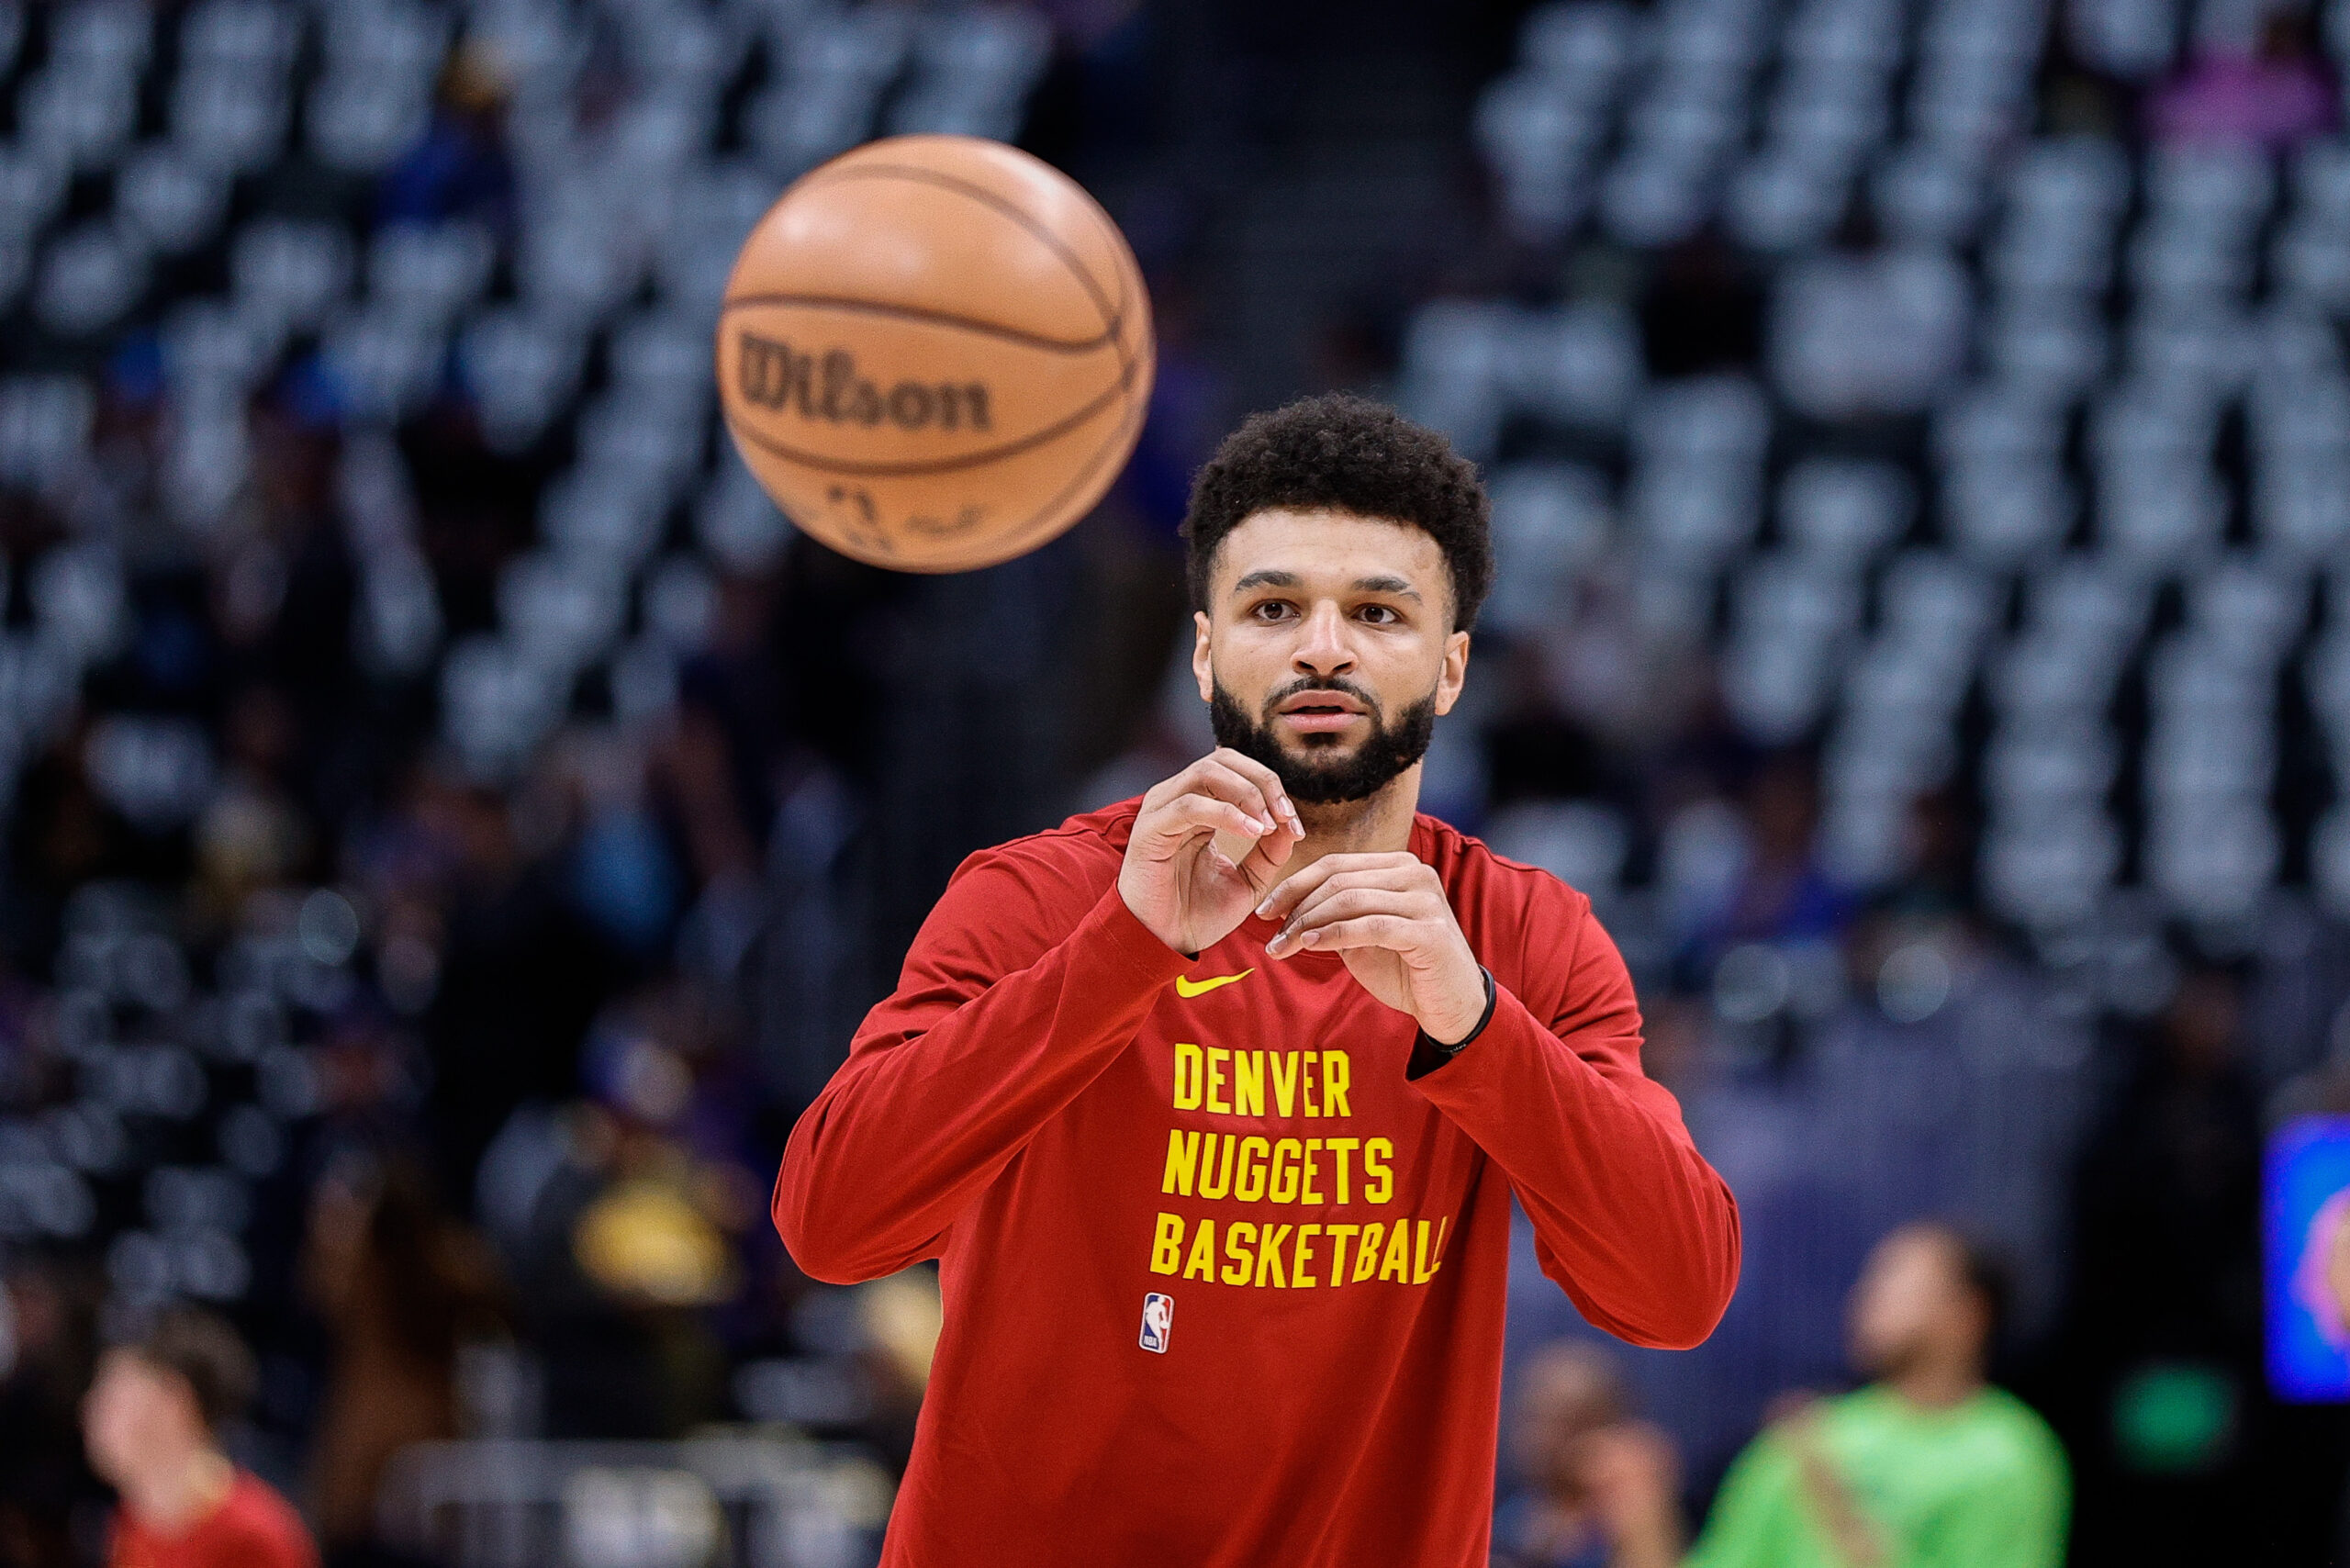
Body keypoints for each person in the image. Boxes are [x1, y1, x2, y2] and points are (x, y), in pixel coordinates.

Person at [774, 393, 1741, 1564]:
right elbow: (831, 1223)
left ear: (1449, 669)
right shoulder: (1037, 899)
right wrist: (1120, 951)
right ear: (1203, 649)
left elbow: (1677, 1291)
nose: (1321, 646)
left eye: (1376, 612)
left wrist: (1475, 1024)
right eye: (1273, 605)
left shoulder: (1522, 939)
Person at [1594, 1223, 2066, 1568]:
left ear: (1969, 1313)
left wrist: (1830, 1492)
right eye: (1870, 1279)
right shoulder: (1805, 1435)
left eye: (1896, 1279)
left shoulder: (2010, 1453)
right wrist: (1643, 1516)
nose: (1866, 1296)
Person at [82, 1306, 319, 1568]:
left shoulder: (254, 1537)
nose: (91, 1410)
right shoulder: (133, 1520)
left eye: (115, 1397)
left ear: (175, 1403)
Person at [1493, 1341, 1654, 1568]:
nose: (1540, 1437)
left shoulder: (1627, 1518)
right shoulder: (1509, 1515)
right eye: (1531, 1418)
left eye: (1564, 1424)